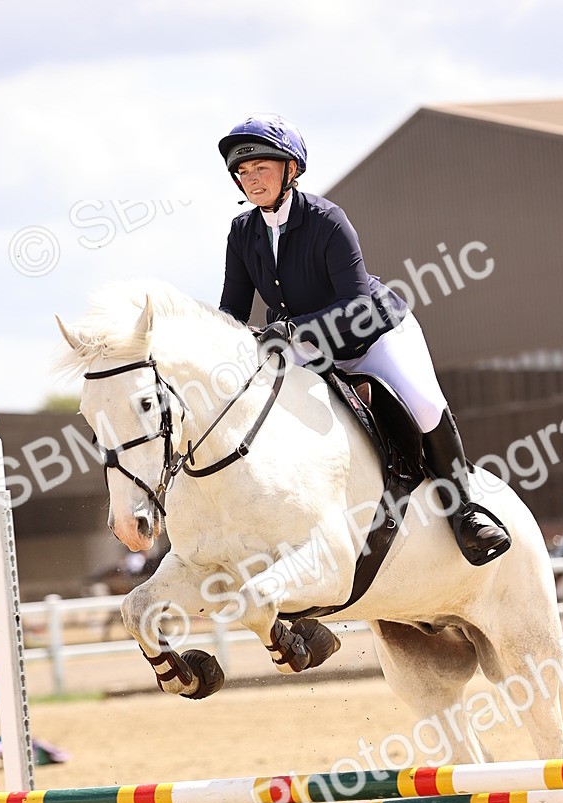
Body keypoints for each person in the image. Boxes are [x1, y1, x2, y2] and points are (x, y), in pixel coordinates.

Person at [217, 113, 510, 564]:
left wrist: (291, 329)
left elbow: (354, 307)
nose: (251, 179)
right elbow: (233, 311)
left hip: (371, 335)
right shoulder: (242, 233)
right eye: (243, 172)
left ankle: (465, 512)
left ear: (290, 169)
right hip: (310, 347)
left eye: (261, 168)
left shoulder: (327, 221)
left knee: (425, 405)